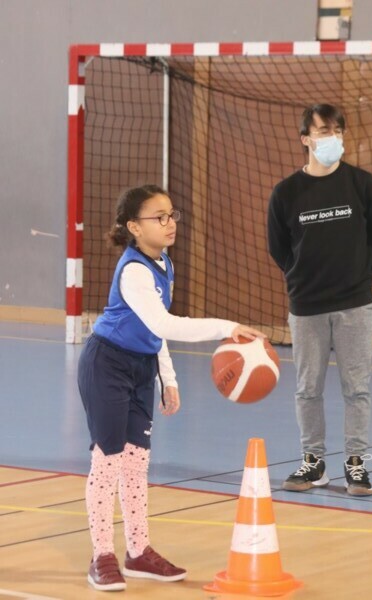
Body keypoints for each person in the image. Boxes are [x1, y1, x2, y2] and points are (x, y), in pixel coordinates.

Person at [78, 184, 264, 592]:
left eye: (171, 214)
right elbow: (164, 324)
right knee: (107, 462)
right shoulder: (134, 271)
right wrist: (227, 327)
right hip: (107, 365)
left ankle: (138, 551)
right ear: (134, 227)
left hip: (141, 368)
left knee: (136, 463)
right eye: (158, 217)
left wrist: (169, 379)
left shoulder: (164, 263)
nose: (169, 223)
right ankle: (102, 555)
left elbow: (154, 332)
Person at [267, 103, 372, 497]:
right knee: (308, 389)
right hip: (307, 306)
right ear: (306, 138)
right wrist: (303, 279)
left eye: (337, 130)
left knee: (357, 389)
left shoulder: (362, 184)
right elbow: (279, 248)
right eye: (323, 131)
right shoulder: (286, 193)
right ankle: (314, 462)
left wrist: (358, 278)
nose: (332, 138)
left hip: (355, 304)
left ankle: (356, 464)